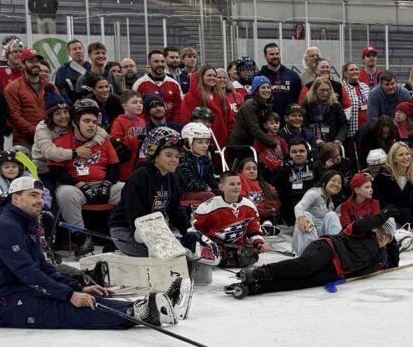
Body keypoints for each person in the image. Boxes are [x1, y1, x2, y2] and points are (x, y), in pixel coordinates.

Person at [0, 175, 180, 329]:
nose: (40, 201)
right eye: (33, 195)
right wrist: (69, 294)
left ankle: (147, 307)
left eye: (41, 196)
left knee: (84, 298)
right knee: (66, 308)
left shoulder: (25, 224)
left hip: (19, 291)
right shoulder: (5, 227)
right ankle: (138, 313)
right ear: (15, 199)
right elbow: (27, 272)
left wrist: (77, 287)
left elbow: (42, 267)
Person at [225, 214, 399, 299]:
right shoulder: (362, 232)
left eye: (387, 236)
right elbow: (362, 224)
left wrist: (393, 243)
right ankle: (259, 273)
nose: (383, 237)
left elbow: (393, 264)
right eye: (381, 231)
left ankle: (256, 288)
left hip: (335, 272)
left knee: (301, 282)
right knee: (306, 265)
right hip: (329, 249)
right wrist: (382, 217)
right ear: (375, 228)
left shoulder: (381, 257)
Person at [108, 128, 201, 257]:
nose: (174, 160)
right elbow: (134, 211)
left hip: (154, 230)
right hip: (127, 230)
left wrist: (187, 230)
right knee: (174, 255)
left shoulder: (170, 177)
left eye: (176, 156)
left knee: (190, 251)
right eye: (168, 155)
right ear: (155, 156)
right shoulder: (140, 176)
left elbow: (176, 209)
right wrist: (154, 240)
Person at [49, 101, 121, 235]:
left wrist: (107, 183)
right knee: (65, 194)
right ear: (75, 122)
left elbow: (114, 167)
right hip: (75, 188)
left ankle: (123, 233)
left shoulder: (103, 141)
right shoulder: (60, 142)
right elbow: (57, 172)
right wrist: (80, 185)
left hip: (103, 185)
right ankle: (79, 236)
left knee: (127, 189)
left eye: (94, 122)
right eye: (86, 121)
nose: (91, 125)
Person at [194, 171, 267, 266]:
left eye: (238, 184)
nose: (236, 187)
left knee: (252, 257)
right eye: (232, 184)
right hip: (215, 246)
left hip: (238, 249)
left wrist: (259, 243)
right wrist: (206, 245)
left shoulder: (249, 205)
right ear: (221, 187)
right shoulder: (207, 207)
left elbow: (253, 229)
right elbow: (197, 231)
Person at [4, 50, 55, 144]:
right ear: (22, 64)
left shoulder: (50, 87)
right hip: (24, 142)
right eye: (31, 61)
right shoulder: (13, 88)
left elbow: (58, 110)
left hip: (50, 140)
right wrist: (38, 133)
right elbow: (15, 117)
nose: (35, 64)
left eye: (38, 61)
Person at [292, 170, 345, 255]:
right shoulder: (314, 193)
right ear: (324, 182)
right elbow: (298, 207)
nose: (336, 184)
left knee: (332, 215)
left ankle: (337, 252)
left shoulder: (331, 203)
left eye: (339, 182)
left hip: (319, 239)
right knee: (306, 214)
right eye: (333, 180)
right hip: (303, 240)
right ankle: (310, 254)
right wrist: (301, 217)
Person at [258, 42, 303, 108]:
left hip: (288, 114)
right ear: (265, 56)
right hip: (266, 114)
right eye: (271, 54)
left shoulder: (293, 76)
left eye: (277, 54)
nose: (275, 56)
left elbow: (298, 100)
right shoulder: (258, 76)